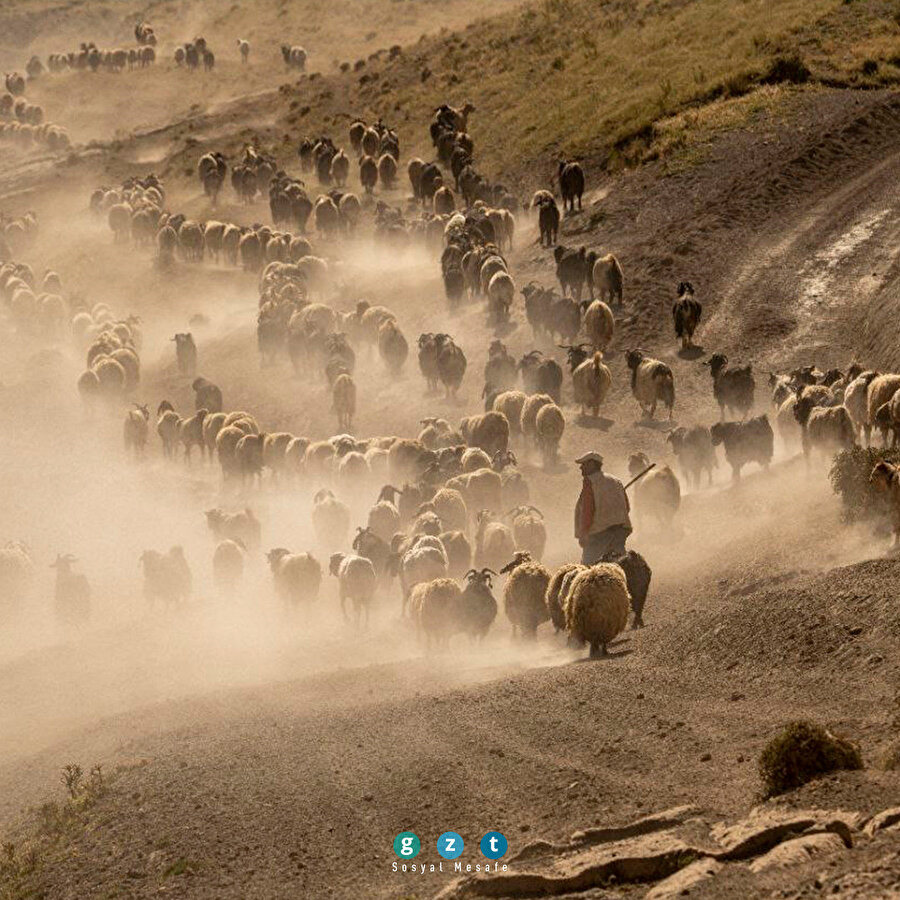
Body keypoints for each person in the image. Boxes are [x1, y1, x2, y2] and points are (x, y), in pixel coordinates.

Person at [574, 452, 632, 564]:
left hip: (599, 533)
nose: (581, 467)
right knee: (618, 563)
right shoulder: (615, 480)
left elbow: (587, 511)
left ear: (592, 464)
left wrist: (584, 533)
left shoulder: (590, 482)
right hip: (620, 530)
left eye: (583, 464)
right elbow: (627, 507)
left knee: (588, 566)